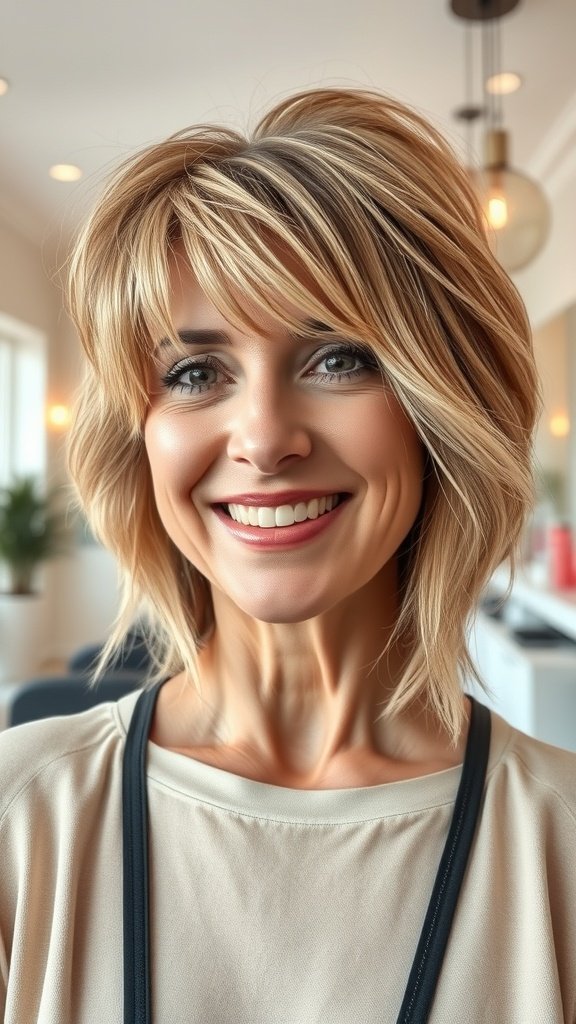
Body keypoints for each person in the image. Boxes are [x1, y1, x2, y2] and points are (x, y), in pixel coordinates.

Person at [0, 87, 574, 1024]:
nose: (264, 438)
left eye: (338, 358)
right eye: (195, 374)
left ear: (441, 406)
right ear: (139, 440)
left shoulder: (560, 846)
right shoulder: (20, 823)